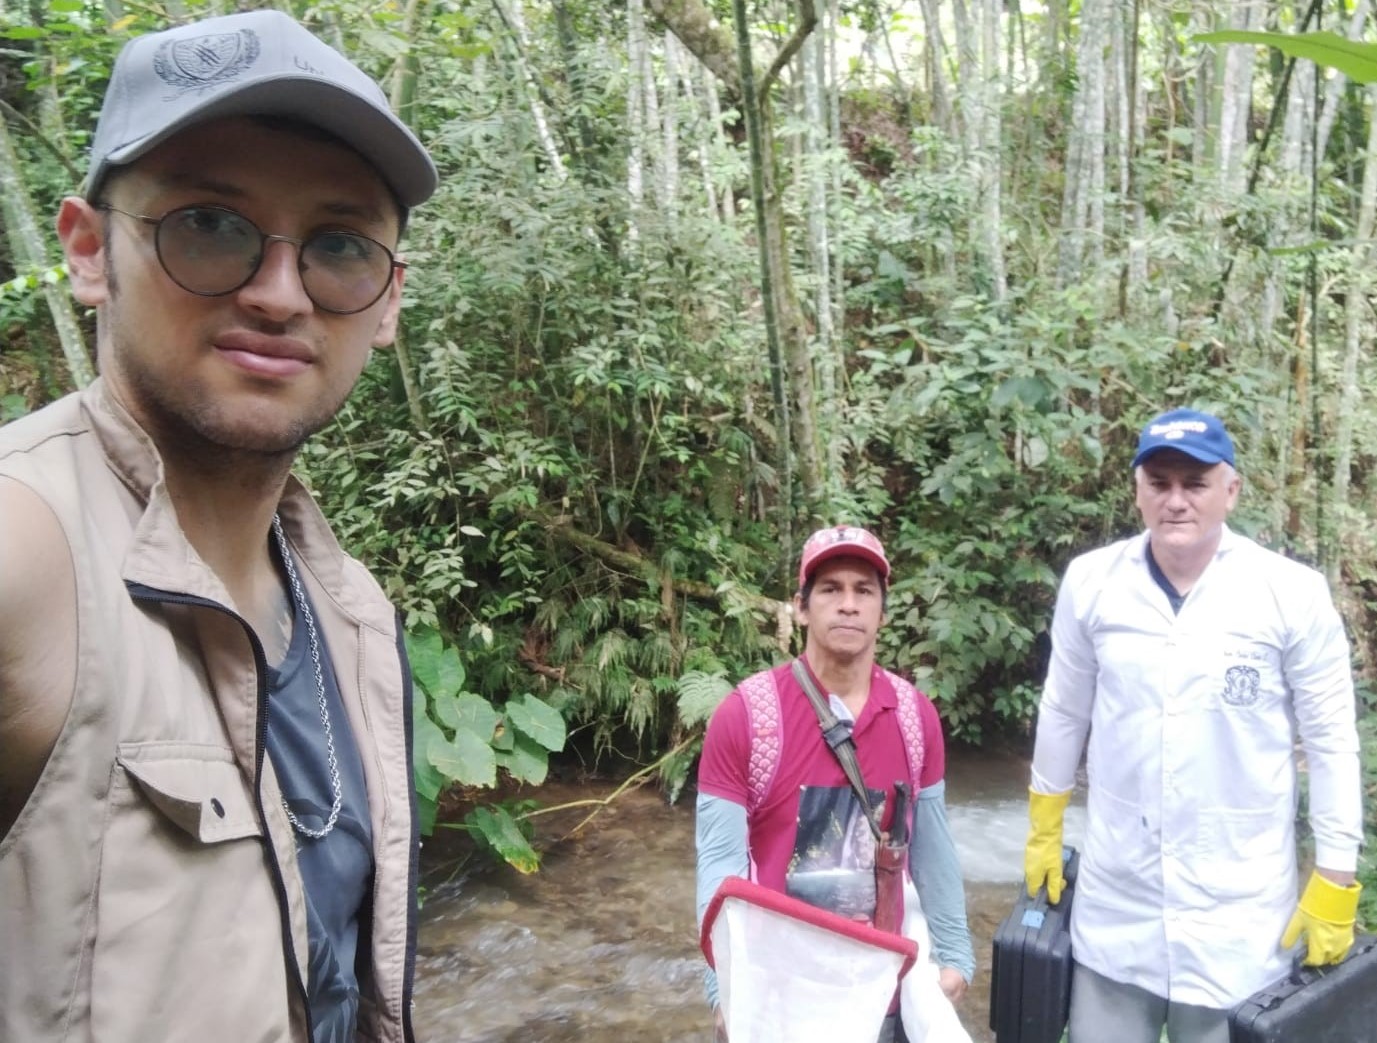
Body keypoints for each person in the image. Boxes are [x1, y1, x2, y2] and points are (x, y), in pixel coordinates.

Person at [0, 11, 437, 1042]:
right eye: (209, 223)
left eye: (337, 245)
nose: (280, 294)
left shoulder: (353, 612)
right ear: (89, 251)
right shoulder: (27, 554)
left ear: (386, 303)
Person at [1025, 408, 1364, 1043]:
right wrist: (1045, 823)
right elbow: (1065, 709)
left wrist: (1335, 877)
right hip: (1118, 894)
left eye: (1195, 483)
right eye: (1159, 483)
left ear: (1231, 490)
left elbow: (1331, 742)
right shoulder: (1093, 583)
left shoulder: (1289, 592)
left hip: (1239, 910)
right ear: (1137, 489)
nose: (1175, 501)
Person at [696, 524, 975, 1042]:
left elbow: (932, 843)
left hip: (881, 990)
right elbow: (720, 864)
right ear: (801, 607)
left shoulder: (916, 718)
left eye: (863, 590)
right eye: (830, 589)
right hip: (777, 993)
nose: (848, 604)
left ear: (882, 612)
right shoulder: (747, 717)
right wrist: (724, 990)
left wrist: (955, 952)